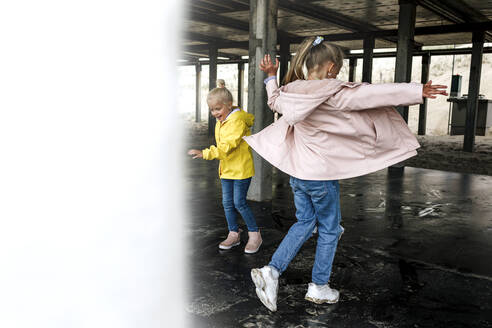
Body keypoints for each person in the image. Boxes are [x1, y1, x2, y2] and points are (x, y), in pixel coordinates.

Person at [244, 36, 448, 312]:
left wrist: (271, 77)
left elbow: (273, 100)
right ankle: (318, 287)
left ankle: (271, 271)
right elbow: (374, 94)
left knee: (305, 222)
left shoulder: (291, 91)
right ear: (329, 67)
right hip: (322, 176)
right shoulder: (334, 91)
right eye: (337, 69)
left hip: (298, 174)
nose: (338, 73)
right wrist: (416, 91)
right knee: (329, 229)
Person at [188, 87, 262, 253]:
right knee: (227, 203)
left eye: (218, 108)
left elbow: (226, 146)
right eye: (212, 109)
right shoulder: (221, 121)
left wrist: (205, 153)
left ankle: (255, 234)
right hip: (227, 170)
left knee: (239, 203)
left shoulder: (236, 121)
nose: (214, 113)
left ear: (229, 105)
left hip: (241, 170)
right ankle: (234, 233)